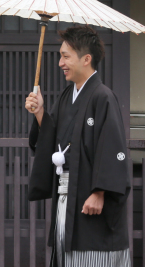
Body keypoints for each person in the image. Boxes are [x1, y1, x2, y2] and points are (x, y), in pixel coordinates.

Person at [26, 25, 130, 267]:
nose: (60, 62)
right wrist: (40, 111)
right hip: (67, 196)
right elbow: (55, 143)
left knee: (93, 256)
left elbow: (112, 147)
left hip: (91, 198)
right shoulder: (66, 96)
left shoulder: (103, 97)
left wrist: (100, 191)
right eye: (60, 55)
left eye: (65, 56)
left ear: (86, 59)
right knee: (67, 256)